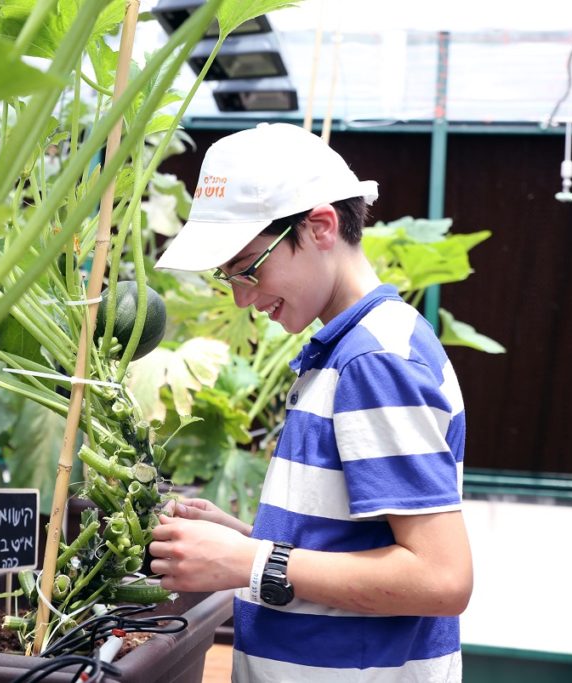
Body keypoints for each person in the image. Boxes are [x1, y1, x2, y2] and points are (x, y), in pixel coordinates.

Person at [150, 123, 472, 682]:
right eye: (228, 277)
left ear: (320, 226)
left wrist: (246, 563)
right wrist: (244, 538)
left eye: (249, 267)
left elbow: (441, 579)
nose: (243, 297)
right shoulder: (343, 350)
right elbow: (352, 542)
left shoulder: (374, 362)